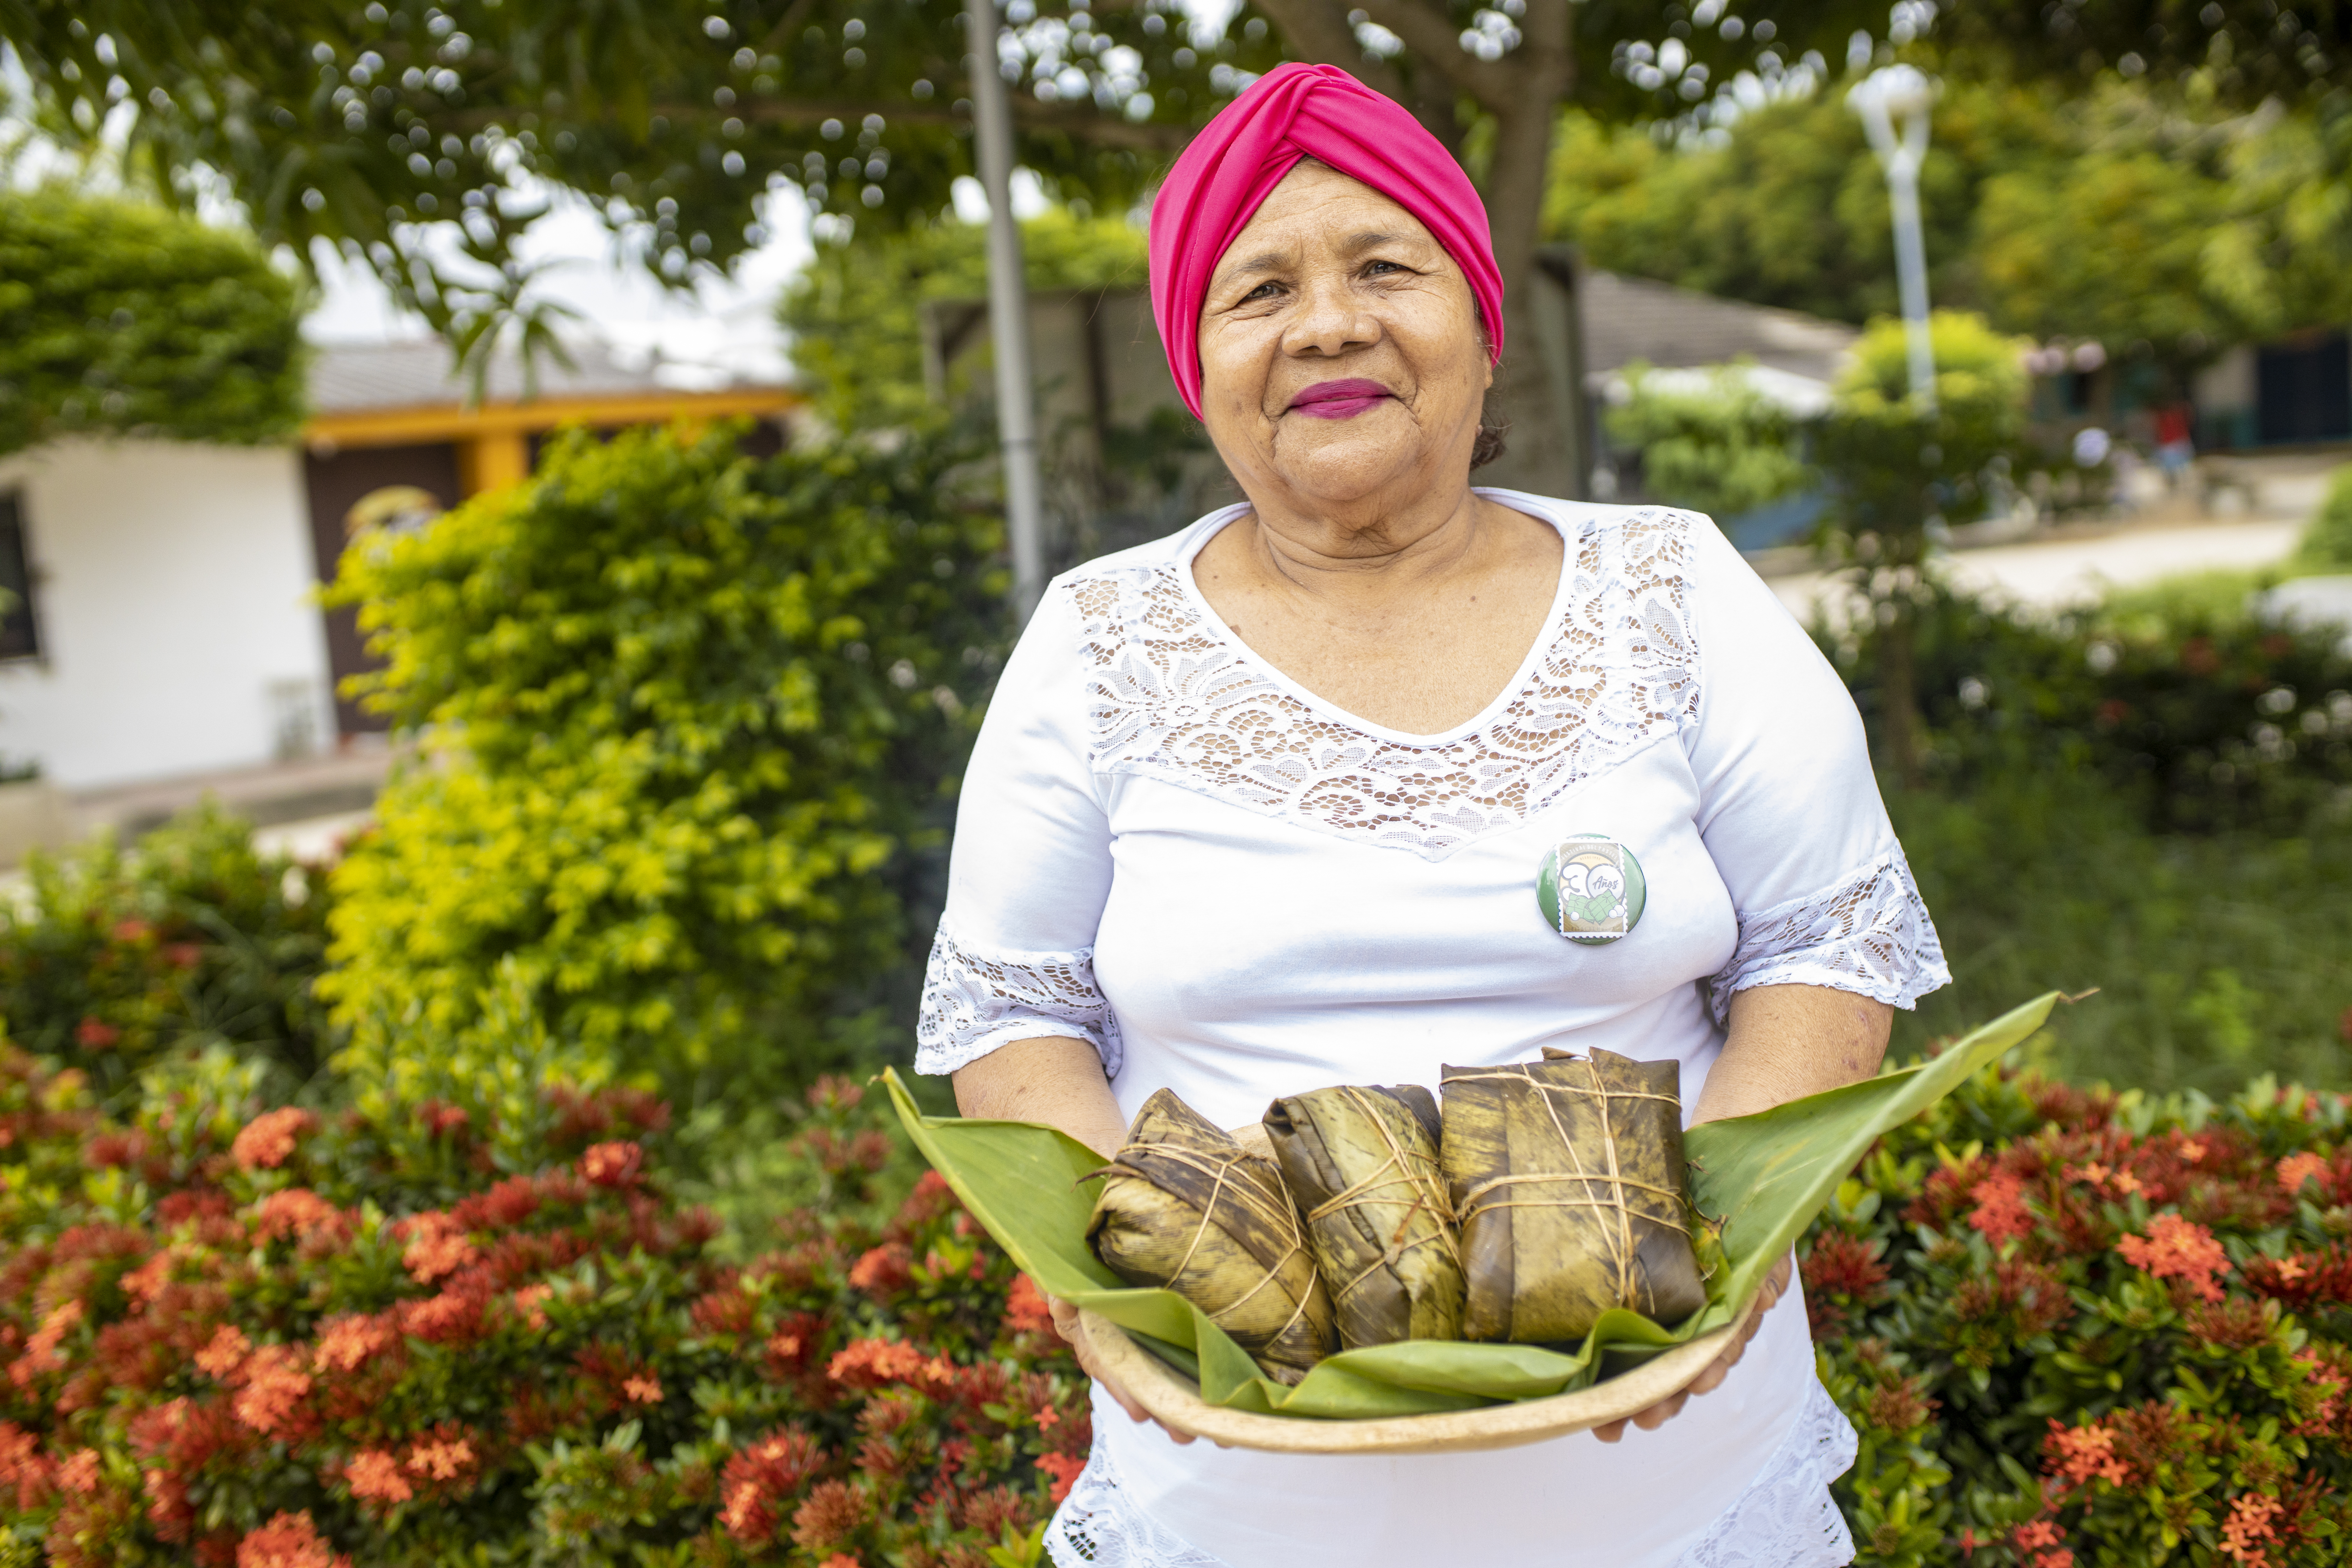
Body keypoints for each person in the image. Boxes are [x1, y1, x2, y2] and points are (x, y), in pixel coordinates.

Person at [917, 62, 1948, 1568]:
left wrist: (1709, 1264)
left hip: (1675, 1489)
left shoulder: (1673, 588)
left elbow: (1827, 945)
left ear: (1481, 324)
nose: (1328, 321)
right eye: (1257, 287)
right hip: (1242, 1494)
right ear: (1197, 365)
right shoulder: (1095, 639)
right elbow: (1012, 1005)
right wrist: (1109, 1277)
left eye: (1385, 267)